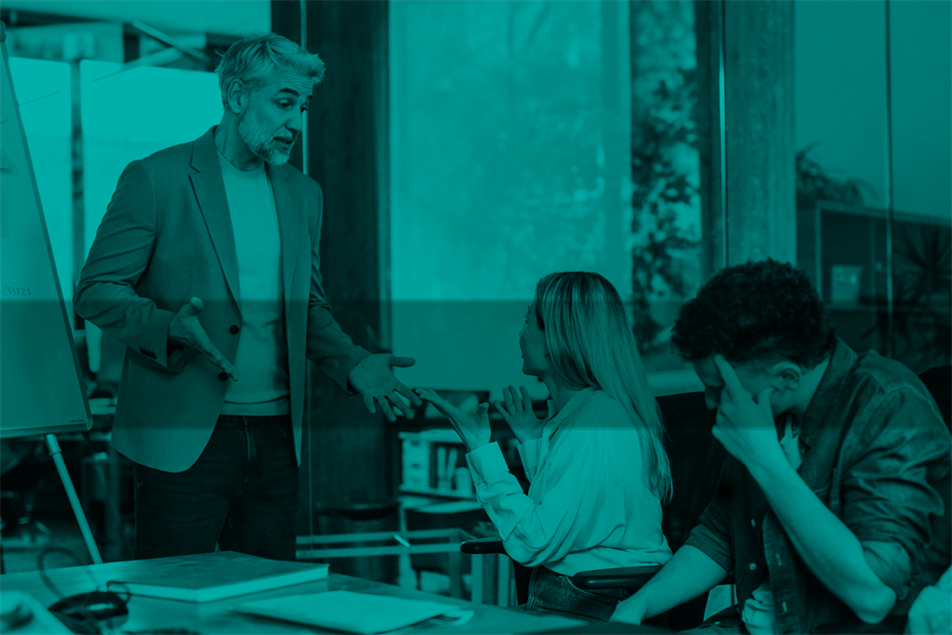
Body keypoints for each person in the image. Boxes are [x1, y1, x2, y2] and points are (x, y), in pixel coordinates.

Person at [73, 32, 422, 561]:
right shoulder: (156, 179)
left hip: (278, 441)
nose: (296, 124)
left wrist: (352, 363)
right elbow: (96, 290)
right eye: (284, 103)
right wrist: (166, 326)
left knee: (268, 601)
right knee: (176, 603)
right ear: (237, 97)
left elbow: (308, 306)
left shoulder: (305, 195)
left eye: (301, 106)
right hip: (183, 441)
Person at [611, 259, 952, 634]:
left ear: (787, 377)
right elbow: (719, 535)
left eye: (721, 388)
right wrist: (637, 606)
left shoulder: (890, 405)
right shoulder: (766, 409)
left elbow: (873, 595)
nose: (710, 403)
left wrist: (765, 460)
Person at [418, 271, 672, 621]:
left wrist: (481, 447)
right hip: (579, 593)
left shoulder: (595, 420)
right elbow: (578, 513)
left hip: (591, 601)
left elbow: (535, 540)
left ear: (554, 339)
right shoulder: (589, 412)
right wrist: (535, 443)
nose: (521, 335)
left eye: (528, 322)